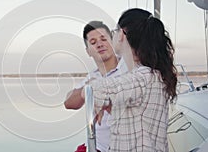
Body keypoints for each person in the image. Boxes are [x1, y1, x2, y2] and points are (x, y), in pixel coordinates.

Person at [89, 8, 177, 151]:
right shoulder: (152, 75)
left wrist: (93, 97)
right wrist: (109, 106)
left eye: (115, 31)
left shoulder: (143, 77)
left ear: (123, 34)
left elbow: (96, 89)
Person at [64, 21, 127, 152]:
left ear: (113, 41)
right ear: (88, 52)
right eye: (93, 42)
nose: (99, 44)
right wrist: (87, 90)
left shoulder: (128, 68)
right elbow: (69, 103)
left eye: (104, 39)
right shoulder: (92, 77)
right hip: (98, 147)